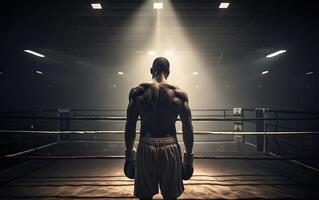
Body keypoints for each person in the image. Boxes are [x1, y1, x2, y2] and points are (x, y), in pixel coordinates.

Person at [124, 57, 194, 200]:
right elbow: (187, 127)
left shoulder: (138, 92)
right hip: (170, 146)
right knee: (171, 197)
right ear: (168, 72)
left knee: (145, 196)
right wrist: (188, 159)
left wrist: (129, 157)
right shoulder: (178, 94)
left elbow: (130, 125)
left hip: (146, 145)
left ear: (151, 70)